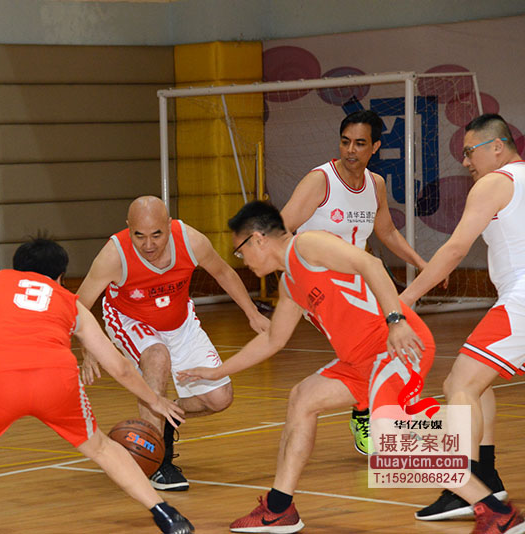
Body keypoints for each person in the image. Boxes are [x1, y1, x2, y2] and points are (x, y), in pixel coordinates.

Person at [0, 238, 194, 534]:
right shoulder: (69, 301)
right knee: (101, 448)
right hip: (55, 381)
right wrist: (155, 400)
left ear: (17, 268)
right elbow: (119, 367)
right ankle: (166, 515)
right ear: (60, 276)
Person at [177, 200, 435, 533]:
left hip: (393, 347)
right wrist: (217, 372)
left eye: (240, 251)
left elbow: (370, 263)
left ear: (258, 239)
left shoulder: (309, 245)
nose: (242, 260)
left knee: (399, 442)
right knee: (303, 398)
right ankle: (279, 508)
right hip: (359, 361)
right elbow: (273, 340)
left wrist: (396, 321)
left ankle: (486, 503)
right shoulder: (289, 284)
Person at [76, 195, 269, 492]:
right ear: (128, 227)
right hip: (130, 320)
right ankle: (157, 462)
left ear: (169, 225)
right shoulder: (114, 255)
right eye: (139, 235)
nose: (148, 245)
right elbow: (79, 304)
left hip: (181, 322)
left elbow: (223, 272)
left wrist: (252, 313)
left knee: (219, 398)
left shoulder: (191, 241)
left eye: (157, 234)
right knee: (157, 356)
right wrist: (88, 349)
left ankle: (162, 417)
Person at [281, 109, 443, 455]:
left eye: (359, 143)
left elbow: (387, 231)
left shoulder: (375, 184)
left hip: (360, 284)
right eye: (345, 142)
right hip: (322, 287)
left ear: (375, 147)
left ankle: (373, 411)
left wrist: (420, 262)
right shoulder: (320, 181)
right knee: (368, 347)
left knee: (385, 344)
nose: (350, 150)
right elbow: (281, 229)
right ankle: (367, 415)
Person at [400, 113, 523, 532]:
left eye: (469, 151)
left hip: (522, 300)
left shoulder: (494, 183)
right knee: (476, 383)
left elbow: (454, 249)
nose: (466, 161)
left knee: (459, 385)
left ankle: (467, 490)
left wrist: (406, 299)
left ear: (497, 147)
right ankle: (486, 478)